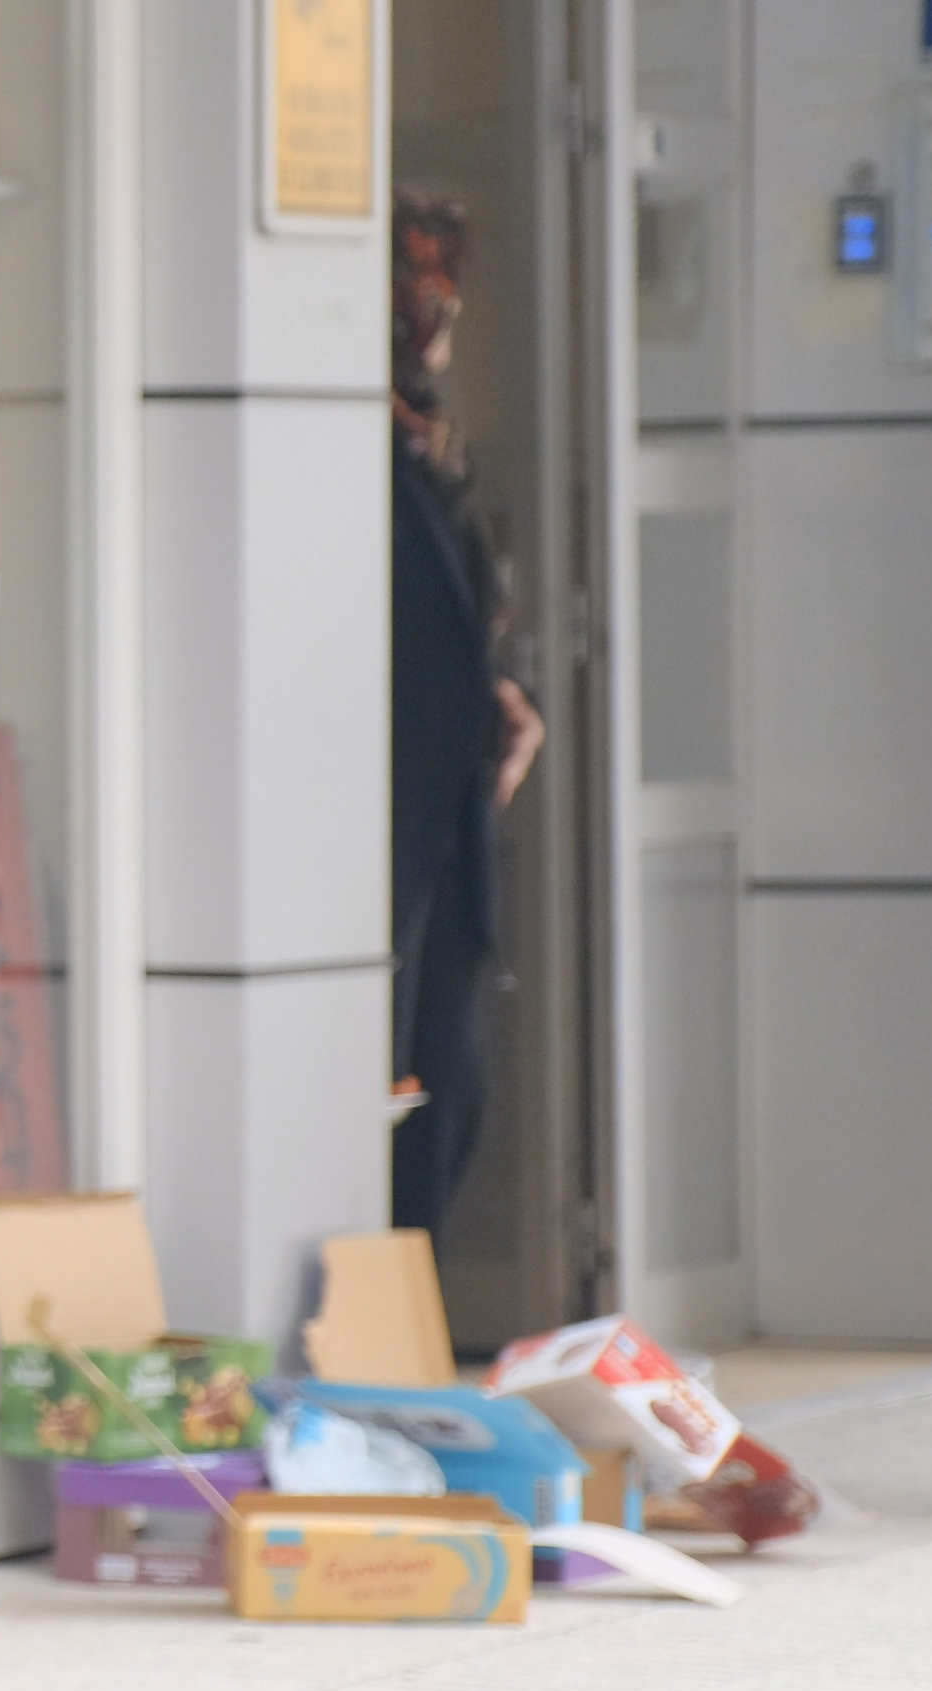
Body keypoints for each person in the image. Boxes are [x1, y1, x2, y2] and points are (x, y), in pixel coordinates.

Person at [388, 186, 544, 1244]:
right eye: (424, 293)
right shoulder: (353, 453)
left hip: (442, 828)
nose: (443, 323)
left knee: (445, 1094)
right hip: (388, 834)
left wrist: (494, 700)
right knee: (413, 1099)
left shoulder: (424, 454)